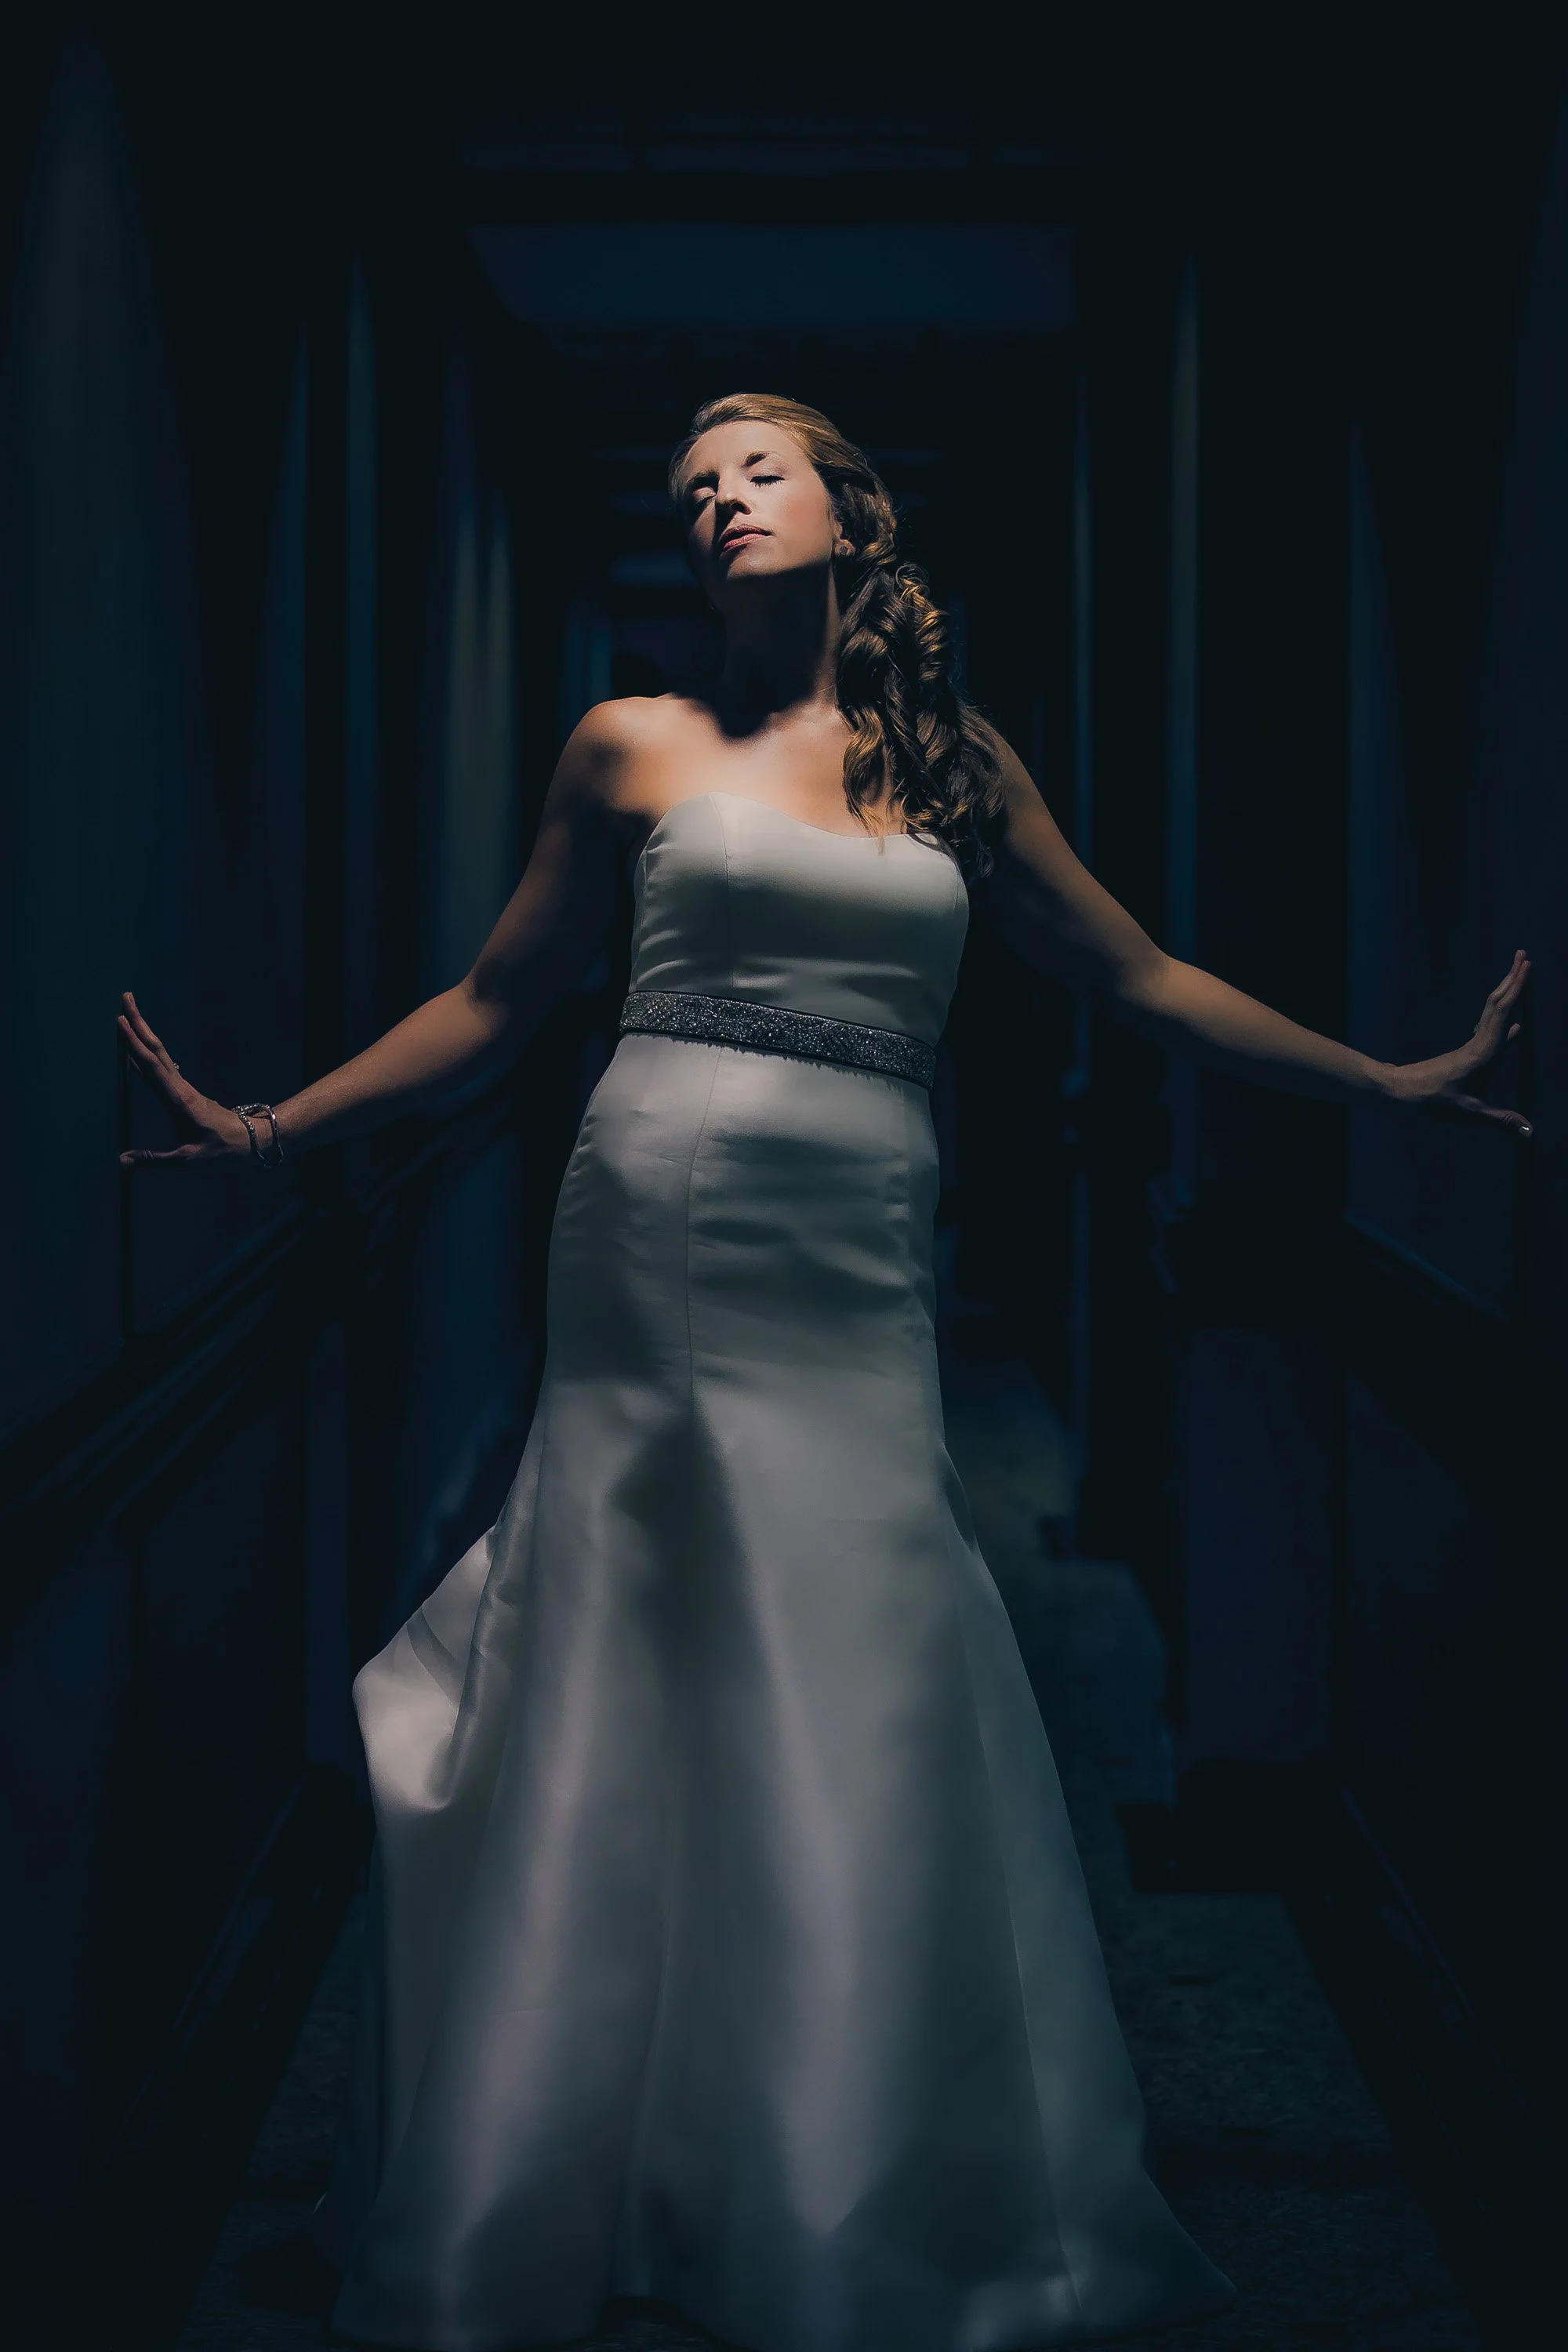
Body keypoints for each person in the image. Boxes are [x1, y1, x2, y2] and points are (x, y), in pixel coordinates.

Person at [119, 394, 1530, 2351]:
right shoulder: (633, 745)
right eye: (690, 485)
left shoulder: (952, 765)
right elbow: (497, 1002)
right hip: (654, 1212)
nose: (716, 498)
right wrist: (278, 1128)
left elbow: (1135, 979)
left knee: (858, 1618)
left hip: (859, 1231)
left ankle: (839, 2142)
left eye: (755, 468)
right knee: (638, 1600)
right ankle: (575, 2145)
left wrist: (1376, 1083)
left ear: (849, 508)